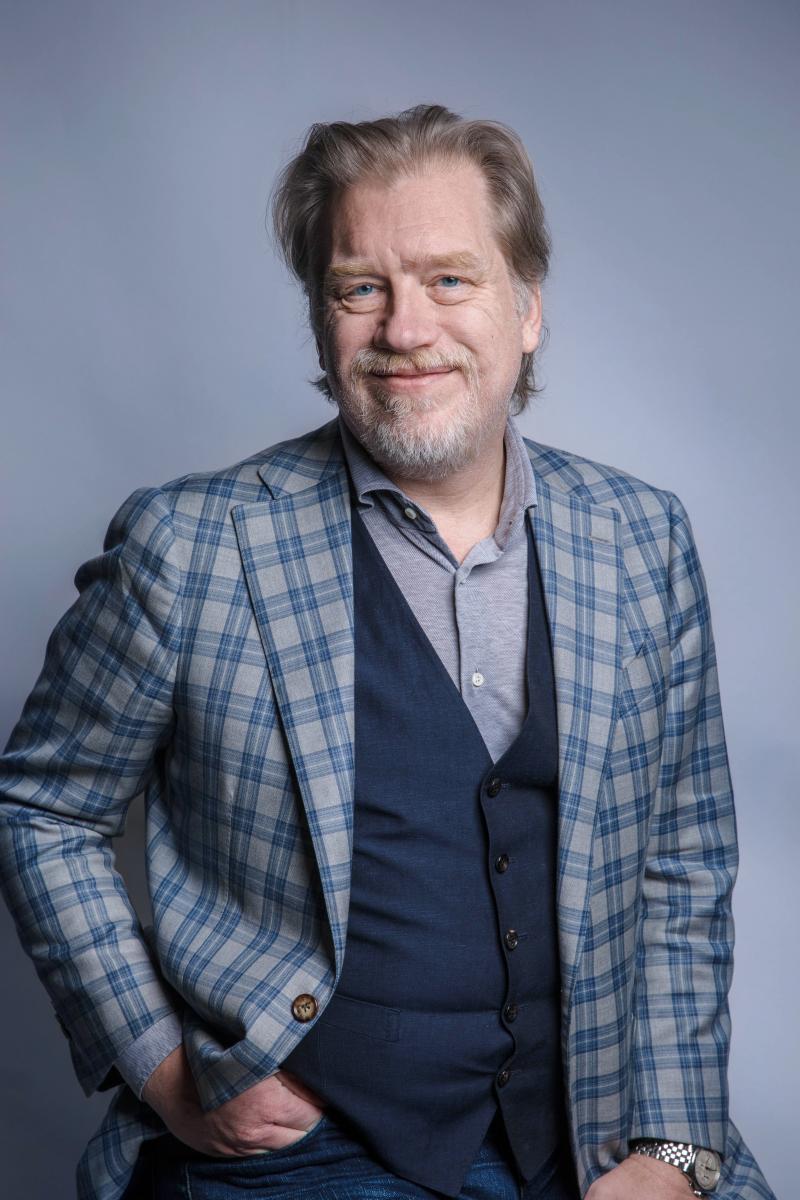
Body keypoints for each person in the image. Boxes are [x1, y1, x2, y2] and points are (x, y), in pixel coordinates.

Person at [0, 104, 775, 1200]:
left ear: (526, 311)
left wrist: (676, 1150)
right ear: (323, 322)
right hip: (305, 1155)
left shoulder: (639, 542)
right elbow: (43, 810)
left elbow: (684, 864)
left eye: (449, 281)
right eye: (360, 287)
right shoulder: (195, 547)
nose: (404, 328)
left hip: (597, 1140)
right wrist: (164, 1068)